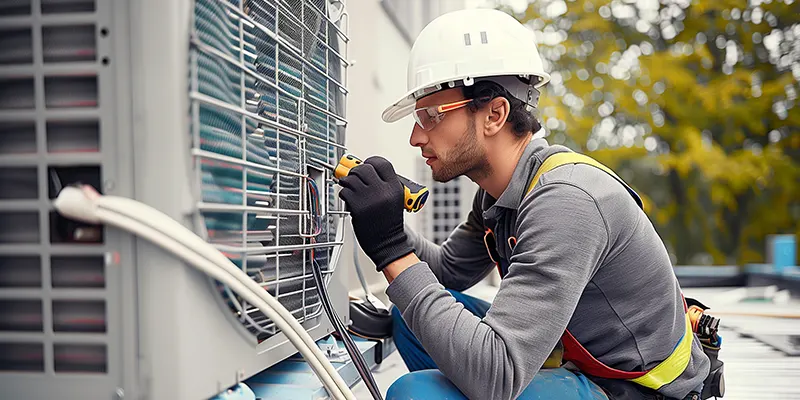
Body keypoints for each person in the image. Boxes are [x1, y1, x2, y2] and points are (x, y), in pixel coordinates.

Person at [337, 8, 711, 400]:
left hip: (636, 389)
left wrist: (391, 250)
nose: (415, 137)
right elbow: (448, 271)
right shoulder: (497, 195)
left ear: (495, 114)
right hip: (570, 361)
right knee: (409, 319)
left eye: (430, 115)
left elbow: (496, 375)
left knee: (416, 394)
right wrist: (387, 221)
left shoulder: (566, 201)